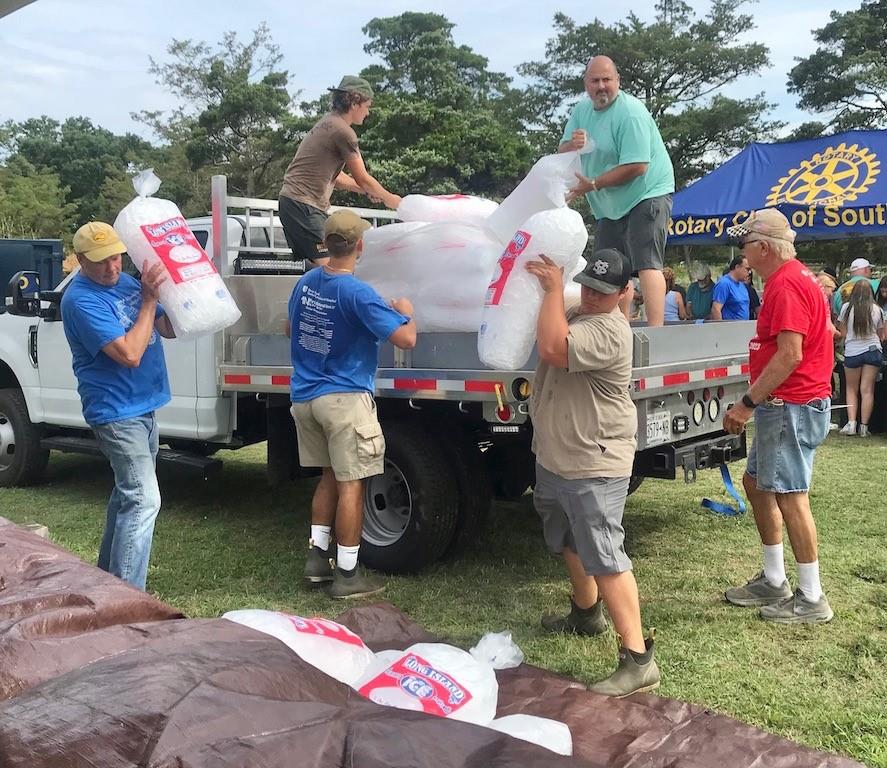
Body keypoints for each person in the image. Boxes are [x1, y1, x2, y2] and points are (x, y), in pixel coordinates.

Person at [526, 247, 658, 696]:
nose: (591, 296)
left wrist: (551, 290)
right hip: (559, 455)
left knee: (604, 554)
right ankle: (586, 614)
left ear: (623, 292)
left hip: (593, 462)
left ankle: (638, 659)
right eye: (587, 287)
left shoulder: (608, 330)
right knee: (569, 538)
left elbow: (551, 348)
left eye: (603, 291)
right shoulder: (581, 311)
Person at [286, 210, 417, 599]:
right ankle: (347, 575)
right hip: (344, 400)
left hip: (305, 397)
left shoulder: (305, 283)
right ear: (360, 245)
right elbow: (405, 339)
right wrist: (406, 313)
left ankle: (316, 561)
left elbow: (290, 328)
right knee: (351, 485)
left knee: (329, 476)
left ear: (325, 243)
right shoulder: (357, 293)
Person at [721, 209, 834, 624]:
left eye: (746, 244)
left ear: (763, 247)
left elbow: (790, 354)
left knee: (790, 495)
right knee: (756, 484)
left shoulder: (785, 284)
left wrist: (746, 403)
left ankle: (811, 597)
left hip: (790, 404)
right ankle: (774, 580)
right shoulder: (794, 279)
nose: (743, 253)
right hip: (789, 404)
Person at [60, 222, 174, 590]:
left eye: (116, 257)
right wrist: (149, 300)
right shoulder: (80, 300)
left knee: (128, 496)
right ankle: (126, 600)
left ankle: (106, 585)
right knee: (143, 499)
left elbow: (168, 329)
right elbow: (129, 354)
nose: (112, 267)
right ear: (80, 261)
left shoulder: (127, 283)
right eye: (101, 261)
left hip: (144, 405)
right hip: (115, 411)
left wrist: (180, 290)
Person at [559, 55, 675, 327]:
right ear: (586, 84)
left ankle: (656, 332)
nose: (601, 86)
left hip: (647, 193)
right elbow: (562, 152)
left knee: (647, 263)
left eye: (606, 80)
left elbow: (638, 166)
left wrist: (593, 184)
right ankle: (618, 327)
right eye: (595, 81)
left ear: (618, 81)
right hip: (609, 204)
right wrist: (573, 145)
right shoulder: (581, 112)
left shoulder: (631, 112)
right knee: (611, 265)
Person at [278, 76, 401, 265]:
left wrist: (367, 191)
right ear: (354, 102)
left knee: (325, 267)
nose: (368, 113)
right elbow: (362, 178)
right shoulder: (343, 132)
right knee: (335, 266)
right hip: (304, 206)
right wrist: (390, 199)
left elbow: (337, 177)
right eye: (367, 106)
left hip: (294, 204)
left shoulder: (327, 123)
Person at [837, 279, 885, 437]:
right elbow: (881, 335)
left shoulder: (846, 308)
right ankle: (864, 427)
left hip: (853, 352)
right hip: (873, 351)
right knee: (867, 390)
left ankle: (851, 424)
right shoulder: (877, 309)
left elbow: (843, 333)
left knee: (851, 389)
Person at [711, 255, 750, 320]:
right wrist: (720, 325)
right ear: (737, 267)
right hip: (730, 325)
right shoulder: (724, 284)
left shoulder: (742, 284)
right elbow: (716, 309)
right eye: (747, 269)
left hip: (744, 325)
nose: (749, 272)